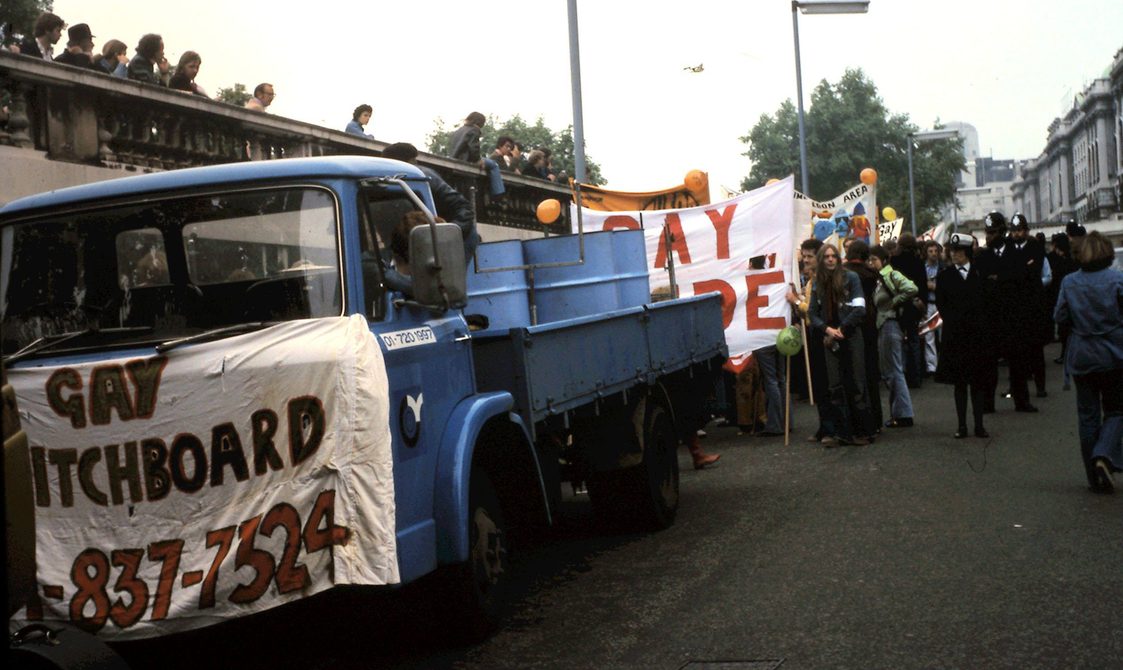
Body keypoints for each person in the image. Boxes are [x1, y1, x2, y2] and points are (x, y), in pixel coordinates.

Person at [1054, 232, 1123, 493]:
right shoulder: (1118, 279)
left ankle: (1094, 478)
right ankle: (1103, 455)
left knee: (1088, 416)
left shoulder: (1070, 282)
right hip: (1115, 354)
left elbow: (1060, 315)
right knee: (1117, 410)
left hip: (1082, 355)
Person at [809, 243, 874, 446]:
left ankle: (863, 432)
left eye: (833, 256)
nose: (830, 259)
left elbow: (860, 308)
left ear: (838, 259)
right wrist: (827, 330)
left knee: (856, 384)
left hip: (851, 335)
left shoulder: (851, 278)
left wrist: (841, 329)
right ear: (821, 260)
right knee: (835, 386)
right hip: (830, 337)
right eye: (826, 256)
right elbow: (812, 312)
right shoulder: (817, 282)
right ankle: (841, 433)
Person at [380, 142, 479, 260]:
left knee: (449, 275)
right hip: (429, 239)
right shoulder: (390, 183)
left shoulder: (426, 178)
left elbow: (464, 209)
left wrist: (445, 234)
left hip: (461, 237)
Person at [935, 233, 989, 439]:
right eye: (952, 251)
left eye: (958, 251)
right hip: (955, 335)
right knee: (959, 384)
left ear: (967, 252)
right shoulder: (945, 276)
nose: (954, 254)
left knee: (977, 382)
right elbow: (942, 304)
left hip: (977, 335)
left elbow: (987, 302)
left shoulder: (979, 274)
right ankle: (962, 425)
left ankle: (979, 425)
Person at [787, 238, 834, 443]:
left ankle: (831, 429)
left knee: (826, 383)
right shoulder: (812, 278)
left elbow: (814, 310)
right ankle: (824, 427)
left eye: (809, 256)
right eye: (803, 256)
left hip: (823, 334)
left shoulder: (823, 279)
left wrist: (797, 301)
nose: (805, 260)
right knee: (818, 384)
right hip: (813, 334)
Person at [869, 244, 918, 428]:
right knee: (891, 369)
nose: (871, 263)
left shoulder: (890, 275)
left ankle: (903, 413)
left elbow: (911, 288)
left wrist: (894, 302)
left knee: (893, 370)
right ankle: (899, 413)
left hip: (890, 324)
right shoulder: (881, 278)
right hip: (885, 325)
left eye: (874, 259)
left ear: (883, 260)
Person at [845, 240, 883, 432]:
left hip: (850, 323)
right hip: (870, 323)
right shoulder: (871, 275)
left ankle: (857, 420)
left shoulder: (844, 273)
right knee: (870, 373)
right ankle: (876, 419)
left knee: (853, 374)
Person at [893, 234, 929, 389]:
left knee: (899, 341)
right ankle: (916, 376)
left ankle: (902, 375)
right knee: (914, 340)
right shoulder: (918, 262)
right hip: (914, 304)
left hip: (899, 304)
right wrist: (922, 302)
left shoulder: (894, 261)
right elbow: (923, 284)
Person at [447, 111, 506, 201]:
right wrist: (479, 160)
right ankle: (498, 193)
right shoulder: (474, 130)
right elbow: (474, 148)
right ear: (480, 123)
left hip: (455, 158)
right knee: (494, 165)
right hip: (467, 160)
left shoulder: (459, 130)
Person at [922, 240, 944, 374]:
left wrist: (935, 287)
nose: (934, 254)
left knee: (943, 336)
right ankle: (932, 367)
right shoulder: (923, 268)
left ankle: (943, 364)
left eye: (936, 251)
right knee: (929, 336)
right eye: (930, 251)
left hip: (940, 304)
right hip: (929, 304)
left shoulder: (942, 267)